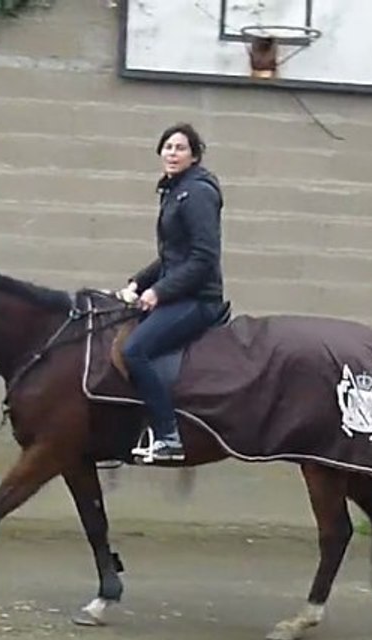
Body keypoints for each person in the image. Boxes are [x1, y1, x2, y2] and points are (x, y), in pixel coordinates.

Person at [117, 122, 227, 464]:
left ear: (194, 155)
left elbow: (203, 259)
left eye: (180, 148)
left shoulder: (198, 193)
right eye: (167, 147)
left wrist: (159, 293)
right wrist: (137, 283)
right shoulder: (175, 190)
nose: (172, 153)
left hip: (198, 300)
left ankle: (168, 436)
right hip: (178, 294)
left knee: (135, 351)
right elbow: (171, 256)